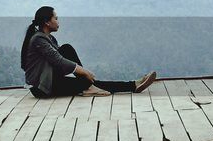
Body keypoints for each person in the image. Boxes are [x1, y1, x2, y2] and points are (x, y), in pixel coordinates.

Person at [21, 6, 157, 98]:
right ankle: (132, 85)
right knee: (87, 82)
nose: (58, 21)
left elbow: (58, 62)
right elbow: (58, 60)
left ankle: (133, 85)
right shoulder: (39, 39)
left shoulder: (48, 38)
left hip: (50, 80)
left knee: (69, 52)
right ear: (47, 22)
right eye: (55, 18)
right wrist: (84, 72)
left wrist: (83, 74)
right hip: (42, 89)